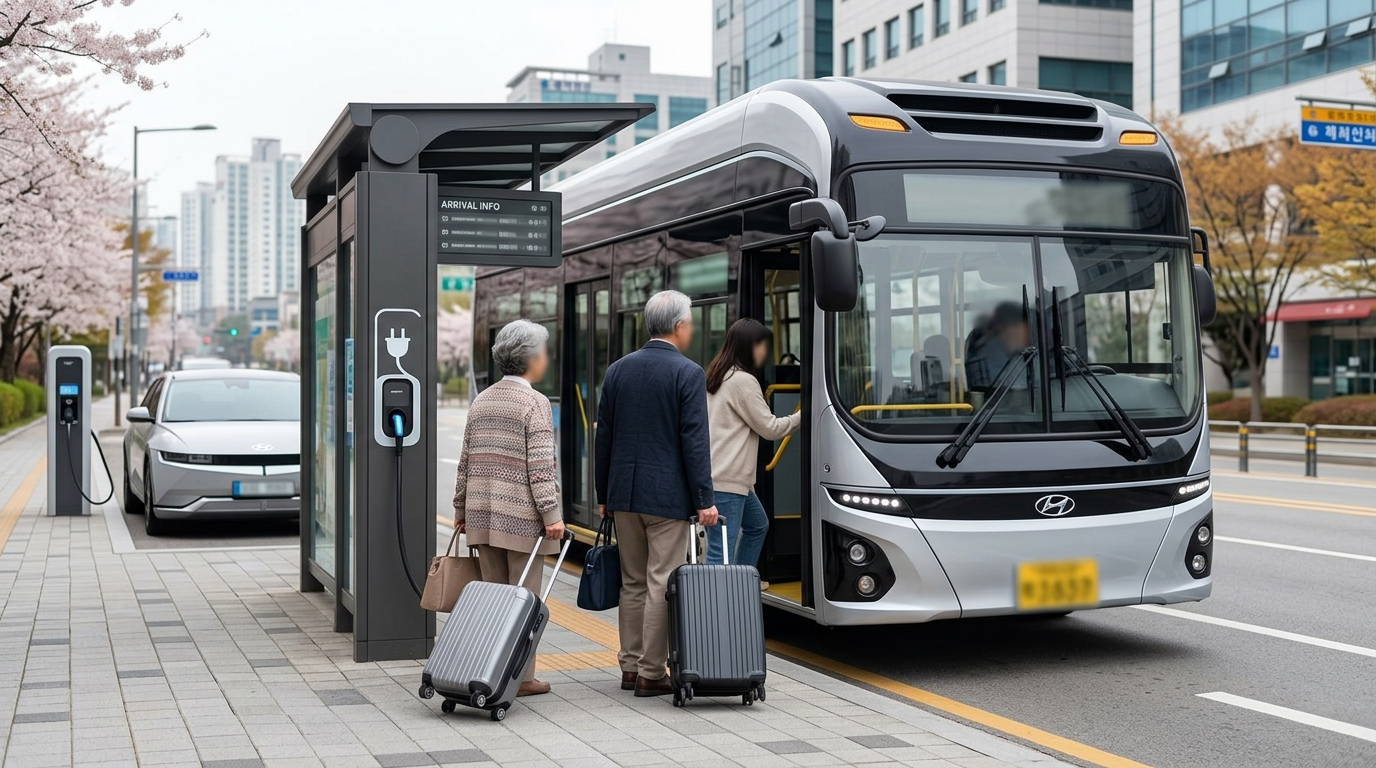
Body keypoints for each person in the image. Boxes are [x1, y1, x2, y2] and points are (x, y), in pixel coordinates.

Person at [595, 290, 719, 698]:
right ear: (680, 326)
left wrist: (603, 493)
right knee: (659, 580)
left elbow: (605, 438)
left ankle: (629, 667)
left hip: (623, 495)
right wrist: (705, 499)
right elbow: (694, 442)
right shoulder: (688, 373)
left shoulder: (617, 370)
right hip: (667, 498)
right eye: (691, 322)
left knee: (631, 581)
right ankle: (652, 672)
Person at [452, 319, 564, 698]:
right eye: (543, 352)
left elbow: (465, 460)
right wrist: (553, 516)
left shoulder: (481, 400)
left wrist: (460, 509)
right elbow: (540, 467)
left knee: (492, 601)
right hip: (521, 522)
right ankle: (523, 676)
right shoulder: (535, 403)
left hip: (482, 517)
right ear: (531, 359)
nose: (546, 358)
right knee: (524, 601)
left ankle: (489, 668)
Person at [703, 318, 801, 575]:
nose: (764, 352)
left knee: (758, 525)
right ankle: (717, 611)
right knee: (720, 551)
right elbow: (770, 428)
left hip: (726, 478)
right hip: (728, 479)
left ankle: (739, 584)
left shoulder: (718, 374)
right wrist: (805, 414)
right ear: (749, 346)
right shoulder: (743, 381)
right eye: (761, 345)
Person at [964, 301, 1032, 392]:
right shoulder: (989, 355)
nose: (1026, 336)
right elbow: (1010, 389)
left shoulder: (1018, 352)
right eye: (1019, 329)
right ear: (1003, 327)